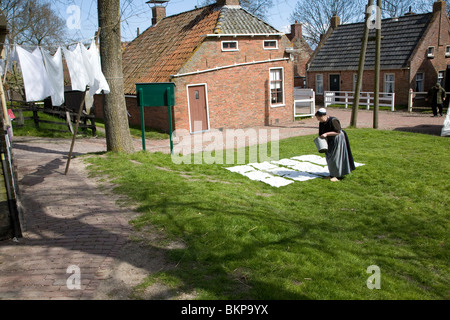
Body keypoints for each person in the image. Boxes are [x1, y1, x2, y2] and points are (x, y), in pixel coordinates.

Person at [315, 108, 355, 181]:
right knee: (329, 157)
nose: (318, 120)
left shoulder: (333, 120)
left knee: (336, 158)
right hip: (329, 140)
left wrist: (327, 134)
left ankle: (338, 176)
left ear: (323, 116)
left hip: (337, 139)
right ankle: (332, 174)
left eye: (319, 118)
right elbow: (321, 133)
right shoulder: (321, 123)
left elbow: (338, 131)